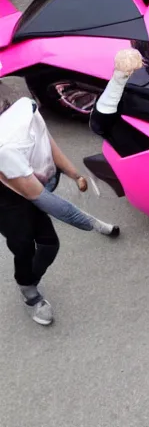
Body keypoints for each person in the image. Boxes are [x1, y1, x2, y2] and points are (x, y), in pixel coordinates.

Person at [0, 95, 119, 326]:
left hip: (25, 181)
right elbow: (46, 201)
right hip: (7, 201)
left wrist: (75, 174)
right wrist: (90, 223)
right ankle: (28, 289)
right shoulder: (4, 149)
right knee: (23, 245)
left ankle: (29, 280)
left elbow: (47, 143)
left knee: (49, 245)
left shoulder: (24, 110)